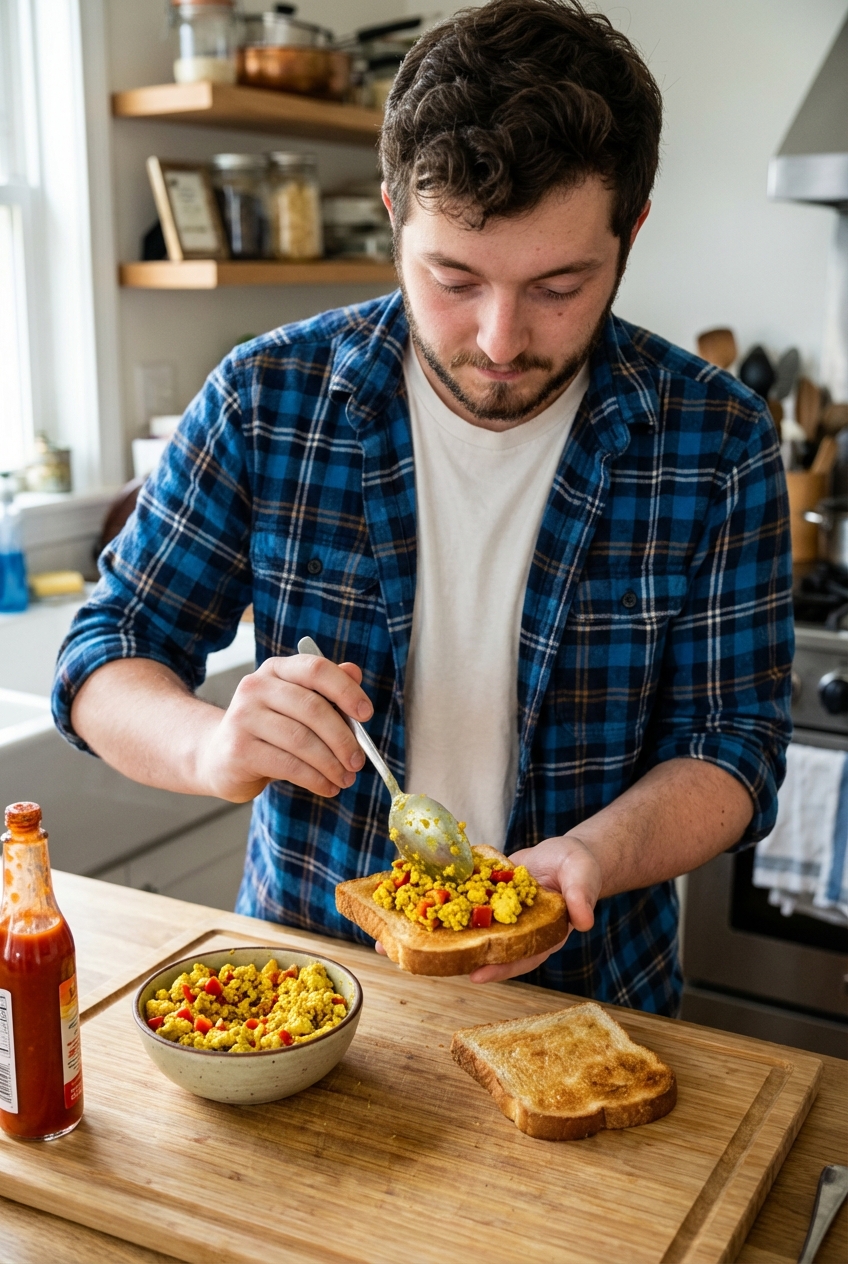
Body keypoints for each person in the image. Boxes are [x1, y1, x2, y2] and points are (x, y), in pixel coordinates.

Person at [53, 0, 792, 1016]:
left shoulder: (714, 438)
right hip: (308, 988)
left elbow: (733, 741)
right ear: (396, 210)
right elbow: (105, 649)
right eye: (453, 278)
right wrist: (209, 748)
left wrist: (591, 853)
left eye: (558, 285)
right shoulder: (267, 397)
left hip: (591, 993)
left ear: (632, 228)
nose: (498, 339)